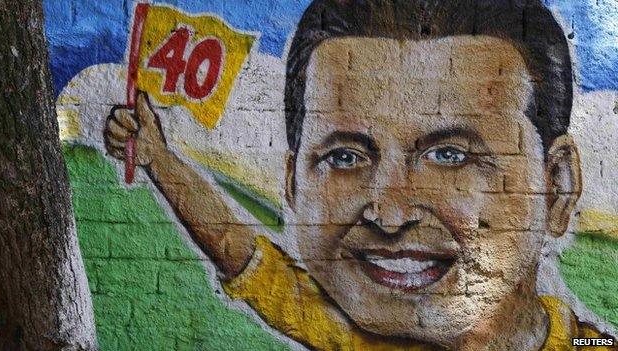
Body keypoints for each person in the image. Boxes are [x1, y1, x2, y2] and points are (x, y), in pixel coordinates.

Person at [104, 0, 616, 349]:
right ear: (293, 185)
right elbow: (237, 249)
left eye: (450, 156)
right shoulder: (338, 329)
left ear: (556, 188)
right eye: (346, 157)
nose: (388, 214)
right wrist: (158, 156)